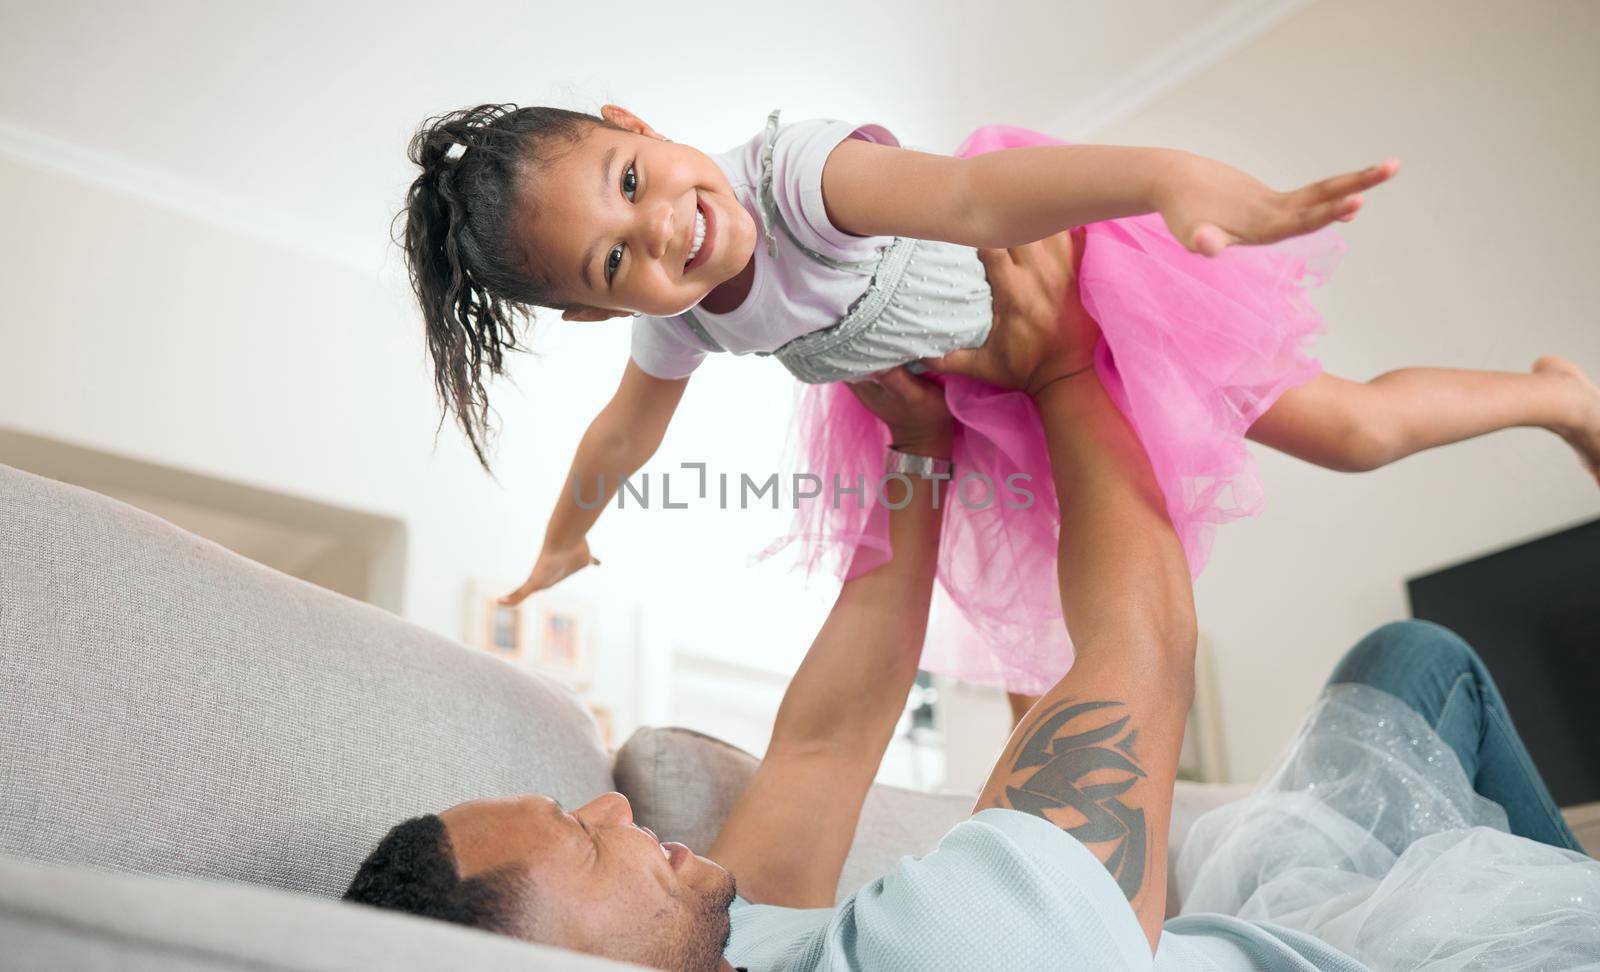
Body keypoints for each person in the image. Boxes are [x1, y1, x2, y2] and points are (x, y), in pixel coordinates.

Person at [347, 238, 1599, 970]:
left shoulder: (741, 943)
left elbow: (829, 739)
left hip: (1241, 913)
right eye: (577, 834)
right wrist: (1060, 366)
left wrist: (918, 453)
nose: (614, 802)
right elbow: (1141, 647)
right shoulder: (950, 957)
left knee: (1411, 656)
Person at [400, 101, 1600, 716]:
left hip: (1086, 293)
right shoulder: (687, 321)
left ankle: (1555, 394)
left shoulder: (797, 177)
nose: (660, 228)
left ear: (637, 127)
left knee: (1351, 434)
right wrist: (565, 534)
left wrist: (1166, 178)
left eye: (628, 184)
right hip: (993, 406)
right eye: (615, 260)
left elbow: (978, 198)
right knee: (1043, 643)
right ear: (605, 314)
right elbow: (624, 434)